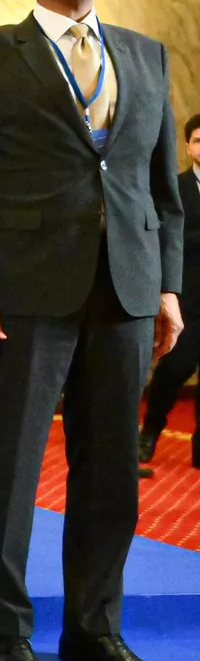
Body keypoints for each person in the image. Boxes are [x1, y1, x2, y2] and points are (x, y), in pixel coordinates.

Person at [0, 0, 181, 661]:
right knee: (7, 470)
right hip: (23, 293)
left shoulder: (145, 54)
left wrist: (169, 286)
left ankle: (93, 630)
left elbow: (161, 189)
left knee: (110, 471)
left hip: (128, 290)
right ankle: (6, 633)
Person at [137, 112, 200, 475]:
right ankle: (149, 432)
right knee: (173, 369)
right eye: (197, 140)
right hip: (186, 298)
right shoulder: (175, 188)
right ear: (188, 146)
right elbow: (167, 236)